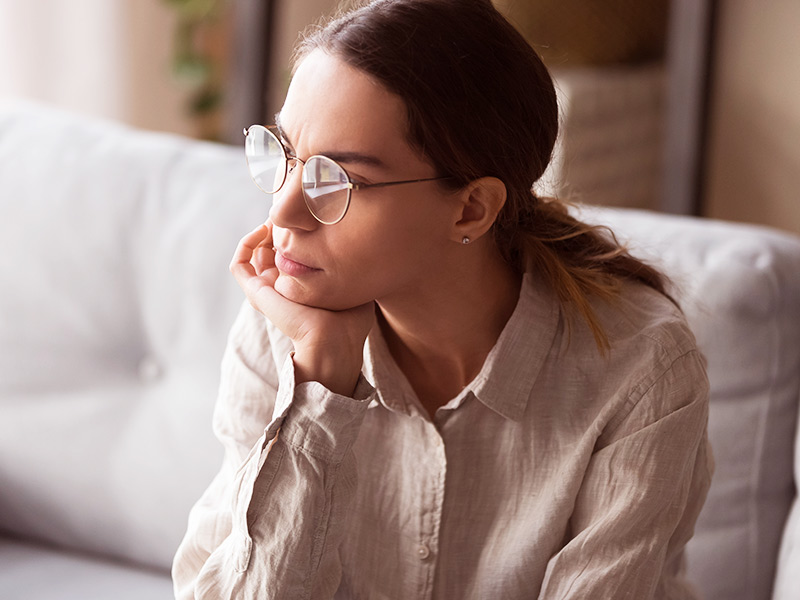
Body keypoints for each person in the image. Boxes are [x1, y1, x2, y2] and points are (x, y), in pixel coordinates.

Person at [172, 0, 713, 597]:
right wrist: (318, 389)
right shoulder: (284, 331)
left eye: (339, 179)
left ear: (471, 208)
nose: (283, 211)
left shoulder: (641, 370)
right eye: (288, 154)